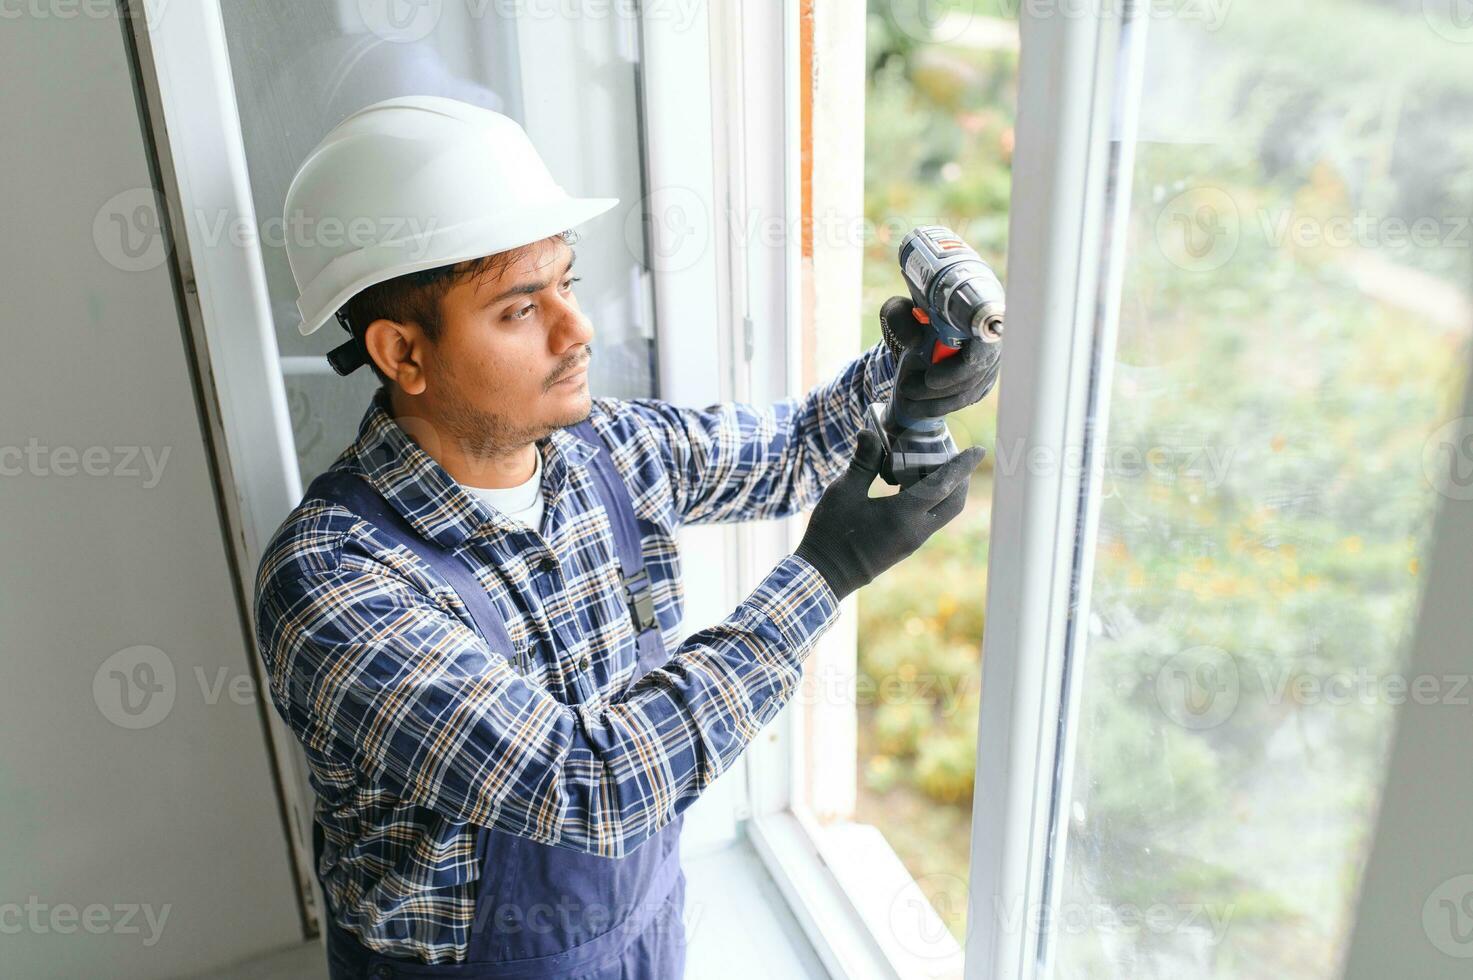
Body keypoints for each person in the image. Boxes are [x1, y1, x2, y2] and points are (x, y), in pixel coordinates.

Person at [253, 95, 996, 980]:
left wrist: (904, 369)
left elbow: (796, 451)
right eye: (519, 311)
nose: (579, 329)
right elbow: (587, 785)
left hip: (644, 939)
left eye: (565, 282)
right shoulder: (334, 583)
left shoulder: (601, 447)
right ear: (401, 353)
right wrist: (823, 574)